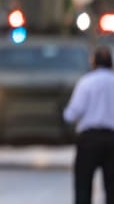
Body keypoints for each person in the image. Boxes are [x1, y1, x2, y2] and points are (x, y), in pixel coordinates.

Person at [63, 45, 114, 204]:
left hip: (89, 140)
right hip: (112, 140)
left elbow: (73, 113)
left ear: (93, 63)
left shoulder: (86, 82)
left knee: (83, 186)